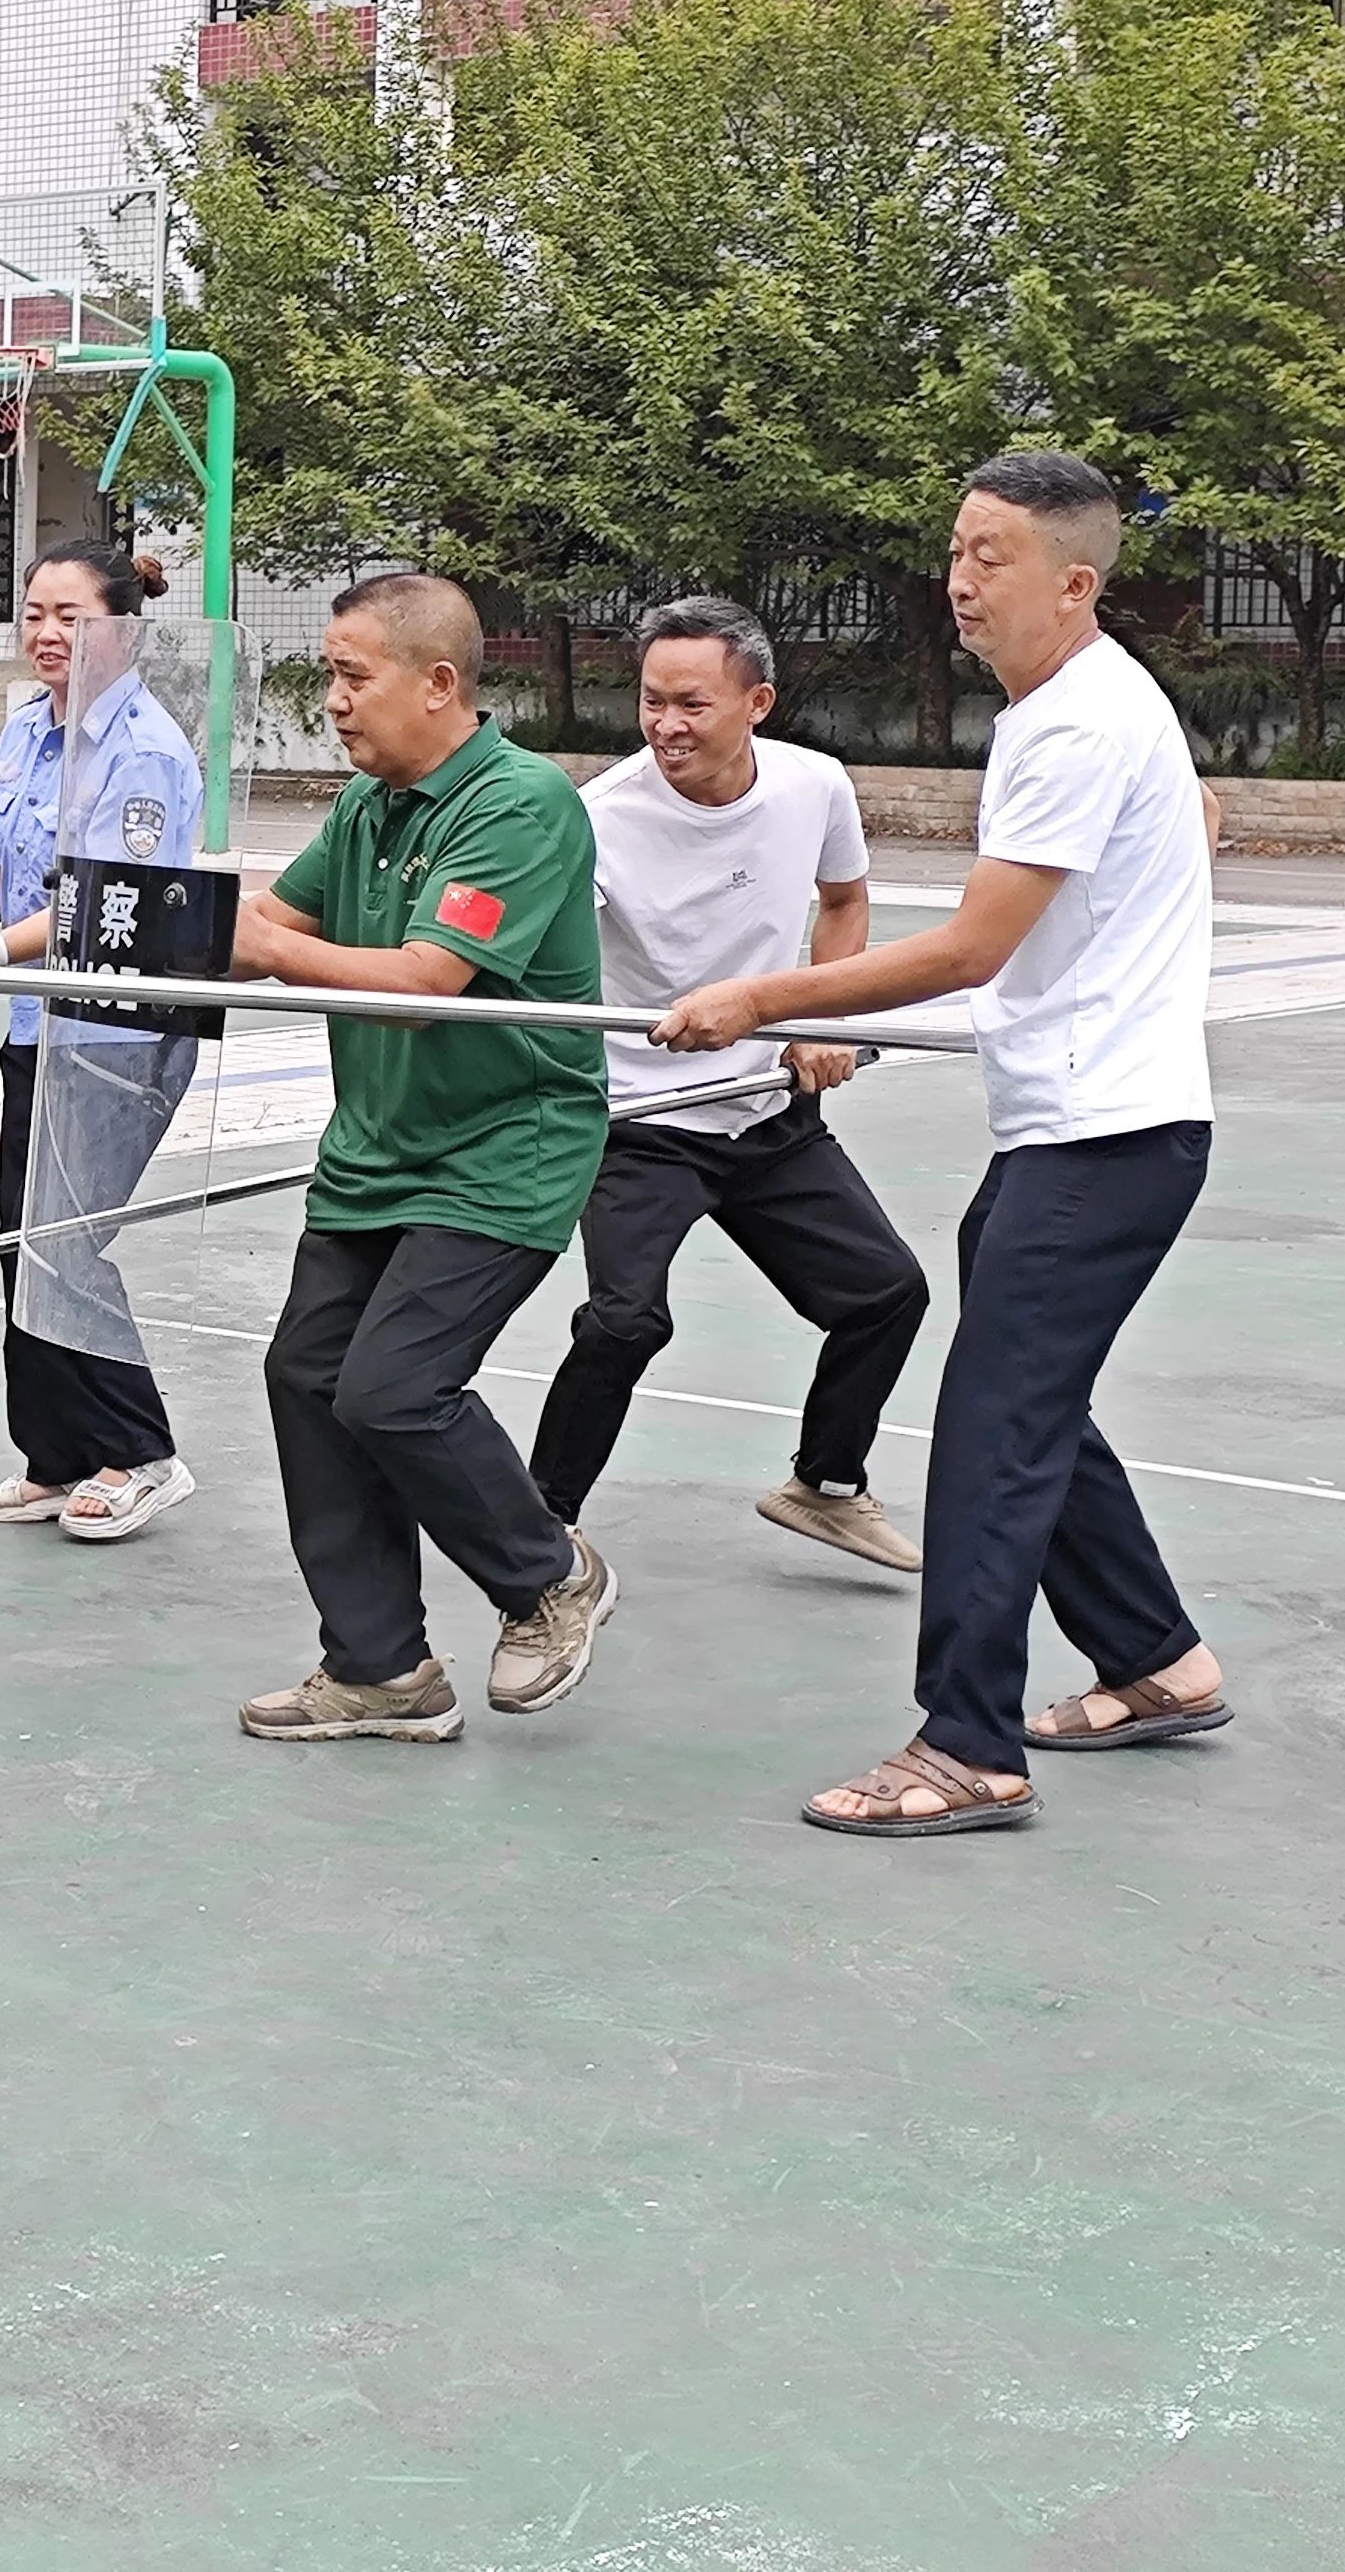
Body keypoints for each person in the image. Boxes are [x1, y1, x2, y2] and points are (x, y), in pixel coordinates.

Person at [651, 451, 1225, 1839]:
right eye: (957, 550)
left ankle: (966, 1743)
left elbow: (972, 948)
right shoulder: (1079, 709)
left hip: (1106, 1136)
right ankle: (1155, 1658)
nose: (961, 582)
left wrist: (760, 997)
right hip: (1072, 1126)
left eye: (994, 558)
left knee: (992, 1430)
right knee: (1034, 1406)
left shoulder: (1079, 725)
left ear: (1075, 583)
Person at [229, 570, 618, 1744]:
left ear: (438, 682)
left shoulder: (519, 803)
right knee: (306, 1378)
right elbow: (267, 928)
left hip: (504, 1148)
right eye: (328, 678)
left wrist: (253, 945)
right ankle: (379, 1668)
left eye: (352, 677)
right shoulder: (369, 804)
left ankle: (547, 1573)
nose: (333, 703)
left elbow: (425, 984)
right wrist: (61, 929)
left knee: (392, 1391)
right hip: (377, 1148)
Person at [527, 597, 930, 1573]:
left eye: (691, 704)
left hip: (766, 1112)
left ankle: (823, 1486)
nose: (665, 725)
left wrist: (817, 1020)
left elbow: (842, 900)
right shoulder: (598, 819)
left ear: (757, 702)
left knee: (886, 1294)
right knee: (625, 1321)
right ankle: (536, 1527)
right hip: (639, 1119)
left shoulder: (813, 786)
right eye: (651, 701)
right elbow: (547, 960)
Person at [0, 542, 203, 1540]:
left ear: (120, 627)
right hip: (38, 1023)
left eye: (69, 617)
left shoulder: (147, 753)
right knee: (21, 1242)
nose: (44, 634)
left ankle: (141, 1451)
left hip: (118, 1034)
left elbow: (98, 905)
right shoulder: (30, 729)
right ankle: (55, 1455)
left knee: (66, 1243)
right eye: (33, 612)